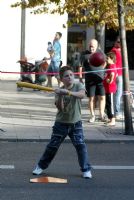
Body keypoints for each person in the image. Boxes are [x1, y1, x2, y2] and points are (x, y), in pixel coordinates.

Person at [32, 66, 92, 179]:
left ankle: (86, 169)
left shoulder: (78, 85)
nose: (69, 77)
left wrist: (68, 93)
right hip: (61, 124)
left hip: (76, 123)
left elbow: (81, 95)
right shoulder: (59, 90)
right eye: (66, 76)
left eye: (71, 75)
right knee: (52, 146)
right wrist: (60, 95)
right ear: (61, 79)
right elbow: (61, 109)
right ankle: (40, 166)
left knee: (80, 146)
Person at [79, 39, 106, 123]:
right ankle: (92, 116)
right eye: (90, 46)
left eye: (93, 46)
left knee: (102, 97)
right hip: (89, 80)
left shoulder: (101, 53)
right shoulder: (84, 55)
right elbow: (80, 66)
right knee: (91, 98)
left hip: (100, 79)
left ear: (97, 46)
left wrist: (102, 69)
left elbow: (105, 62)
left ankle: (101, 115)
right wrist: (80, 77)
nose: (91, 48)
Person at [110, 37, 123, 119]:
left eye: (120, 42)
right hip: (117, 74)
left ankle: (116, 112)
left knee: (119, 94)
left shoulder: (121, 50)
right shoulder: (114, 51)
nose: (119, 43)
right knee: (117, 94)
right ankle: (116, 113)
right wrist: (116, 73)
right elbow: (112, 62)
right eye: (118, 41)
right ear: (115, 42)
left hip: (120, 74)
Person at [103, 52, 117, 126]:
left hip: (111, 89)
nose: (106, 59)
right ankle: (110, 118)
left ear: (112, 59)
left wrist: (110, 80)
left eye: (107, 58)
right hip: (107, 89)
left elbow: (113, 74)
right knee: (108, 104)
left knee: (111, 104)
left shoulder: (112, 66)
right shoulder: (110, 66)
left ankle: (113, 120)